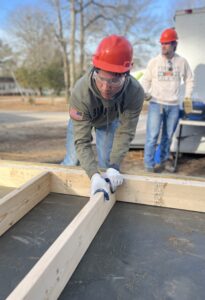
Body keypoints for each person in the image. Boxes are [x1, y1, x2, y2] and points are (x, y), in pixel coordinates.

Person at [61, 35, 144, 199]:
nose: (106, 87)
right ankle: (63, 192)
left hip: (108, 122)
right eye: (101, 79)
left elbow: (125, 132)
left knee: (107, 165)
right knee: (72, 161)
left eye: (114, 81)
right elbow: (82, 141)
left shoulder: (135, 92)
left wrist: (114, 165)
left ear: (126, 73)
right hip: (83, 119)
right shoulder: (80, 91)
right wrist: (93, 175)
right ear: (95, 69)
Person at [142, 28, 194, 173]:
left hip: (173, 106)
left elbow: (189, 79)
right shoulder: (154, 62)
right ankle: (149, 165)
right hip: (156, 104)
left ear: (174, 45)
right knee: (152, 136)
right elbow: (146, 80)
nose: (163, 46)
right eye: (162, 44)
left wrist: (187, 97)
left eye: (166, 44)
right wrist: (144, 93)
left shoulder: (181, 62)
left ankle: (164, 162)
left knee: (168, 137)